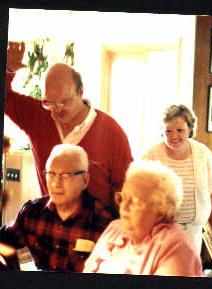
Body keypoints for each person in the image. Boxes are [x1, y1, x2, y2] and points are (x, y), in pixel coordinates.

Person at [5, 42, 133, 210]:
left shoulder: (111, 131)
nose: (57, 109)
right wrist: (7, 70)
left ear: (80, 91)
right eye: (50, 103)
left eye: (65, 102)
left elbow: (125, 188)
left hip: (97, 229)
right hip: (50, 224)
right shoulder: (37, 117)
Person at [0, 144, 116, 272]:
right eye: (51, 174)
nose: (56, 183)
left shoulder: (106, 221)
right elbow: (5, 239)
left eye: (65, 176)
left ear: (85, 180)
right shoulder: (32, 212)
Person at [83, 160, 203, 276]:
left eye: (135, 202)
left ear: (161, 210)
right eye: (123, 198)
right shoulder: (115, 229)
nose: (124, 208)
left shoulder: (177, 248)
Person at [142, 104, 212, 255]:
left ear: (190, 129)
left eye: (180, 130)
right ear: (161, 132)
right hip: (159, 234)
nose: (174, 136)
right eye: (168, 131)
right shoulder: (151, 155)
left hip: (193, 233)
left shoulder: (203, 153)